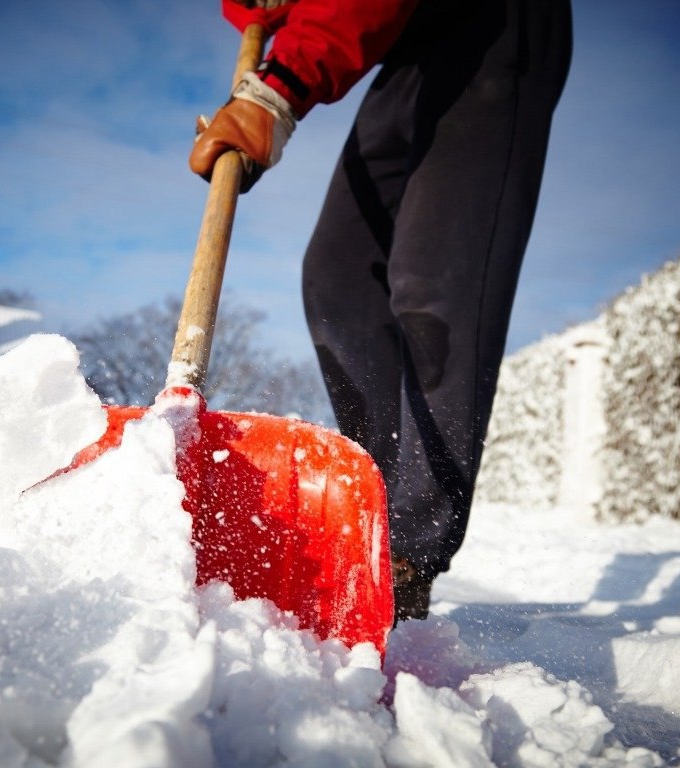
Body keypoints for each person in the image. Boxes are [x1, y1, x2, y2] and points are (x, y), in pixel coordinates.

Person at [191, 0, 572, 623]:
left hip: (496, 26)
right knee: (338, 277)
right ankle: (372, 511)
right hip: (411, 47)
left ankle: (408, 551)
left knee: (433, 281)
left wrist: (278, 91)